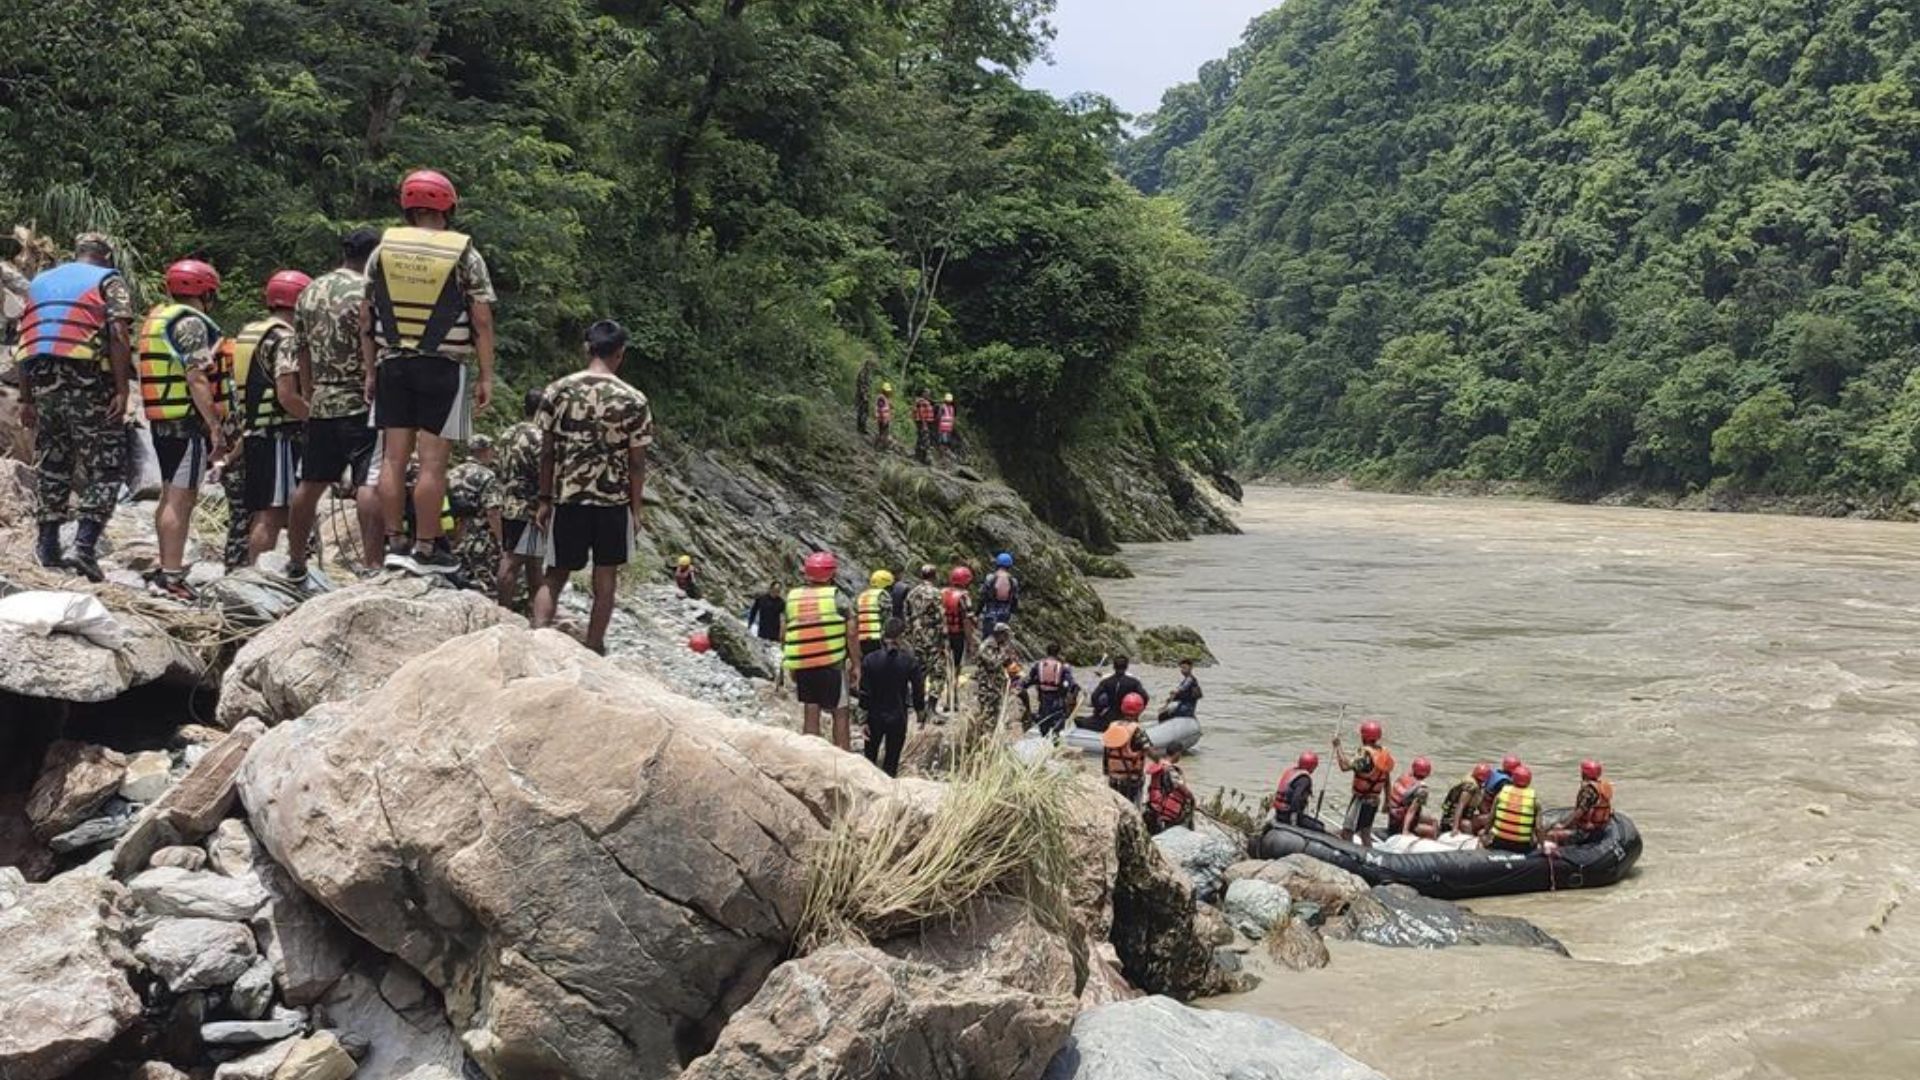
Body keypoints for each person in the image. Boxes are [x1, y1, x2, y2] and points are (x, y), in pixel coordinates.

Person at [362, 168, 497, 575]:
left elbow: (366, 316)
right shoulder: (464, 254)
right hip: (442, 367)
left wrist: (370, 370)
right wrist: (486, 374)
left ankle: (394, 542)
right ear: (448, 205)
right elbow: (482, 319)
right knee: (433, 462)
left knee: (392, 460)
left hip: (392, 364)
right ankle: (425, 547)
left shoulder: (381, 251)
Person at [531, 320, 652, 655]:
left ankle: (537, 636)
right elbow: (637, 462)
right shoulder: (634, 399)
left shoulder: (557, 390)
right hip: (612, 501)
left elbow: (547, 452)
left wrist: (544, 498)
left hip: (568, 497)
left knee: (555, 573)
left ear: (587, 348)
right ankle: (594, 645)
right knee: (605, 578)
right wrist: (635, 509)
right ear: (620, 353)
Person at [17, 233, 133, 581]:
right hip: (87, 382)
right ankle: (83, 548)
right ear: (106, 257)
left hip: (43, 382)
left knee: (54, 462)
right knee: (107, 465)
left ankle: (48, 547)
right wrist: (122, 389)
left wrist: (25, 398)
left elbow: (28, 338)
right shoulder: (109, 280)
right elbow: (118, 334)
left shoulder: (40, 282)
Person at [286, 227, 383, 583]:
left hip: (323, 399)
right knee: (368, 483)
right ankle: (373, 566)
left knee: (310, 483)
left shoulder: (309, 291)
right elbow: (369, 333)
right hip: (361, 398)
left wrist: (310, 393)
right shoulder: (368, 290)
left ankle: (296, 559)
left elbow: (301, 347)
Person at [138, 259, 227, 600]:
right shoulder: (190, 323)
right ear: (204, 292)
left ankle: (166, 568)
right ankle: (172, 577)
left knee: (169, 494)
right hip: (182, 421)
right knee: (181, 497)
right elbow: (196, 377)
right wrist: (214, 425)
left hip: (162, 419)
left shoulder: (159, 317)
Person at [226, 270, 310, 565]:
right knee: (271, 513)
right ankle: (258, 579)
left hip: (252, 434)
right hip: (277, 437)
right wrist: (316, 420)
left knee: (260, 510)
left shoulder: (251, 332)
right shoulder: (285, 339)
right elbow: (287, 395)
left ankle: (244, 572)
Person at [783, 550, 860, 749]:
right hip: (832, 663)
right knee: (840, 712)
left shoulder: (793, 597)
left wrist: (791, 663)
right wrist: (857, 665)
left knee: (811, 709)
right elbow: (851, 633)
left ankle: (811, 754)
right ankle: (842, 758)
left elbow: (785, 633)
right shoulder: (838, 598)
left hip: (804, 663)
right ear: (832, 574)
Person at [493, 388, 544, 609]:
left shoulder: (508, 434)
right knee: (513, 560)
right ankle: (504, 610)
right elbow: (545, 471)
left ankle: (534, 606)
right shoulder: (539, 436)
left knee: (533, 558)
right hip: (529, 506)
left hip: (507, 501)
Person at [857, 617, 925, 777]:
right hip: (898, 716)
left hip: (874, 717)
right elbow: (918, 689)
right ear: (901, 637)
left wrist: (862, 720)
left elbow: (865, 693)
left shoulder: (870, 660)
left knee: (869, 761)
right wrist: (920, 711)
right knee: (891, 763)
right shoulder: (909, 661)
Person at [446, 435, 502, 589]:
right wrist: (502, 540)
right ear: (484, 451)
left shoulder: (452, 473)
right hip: (480, 539)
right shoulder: (487, 476)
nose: (493, 453)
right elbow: (492, 511)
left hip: (453, 535)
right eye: (491, 449)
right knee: (485, 585)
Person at [1333, 720, 1395, 847]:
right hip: (1374, 800)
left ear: (1364, 736)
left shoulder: (1365, 756)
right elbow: (1387, 780)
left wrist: (1338, 747)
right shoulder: (1383, 754)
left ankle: (1354, 857)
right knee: (1365, 833)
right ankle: (1367, 856)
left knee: (1349, 832)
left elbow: (1344, 766)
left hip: (1361, 800)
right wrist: (1387, 801)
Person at [1019, 642, 1080, 736]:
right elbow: (1070, 684)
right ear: (1058, 653)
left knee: (1044, 724)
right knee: (1057, 724)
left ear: (1046, 652)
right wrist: (1074, 693)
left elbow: (1028, 680)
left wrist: (1020, 686)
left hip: (1043, 699)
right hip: (1057, 699)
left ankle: (1043, 736)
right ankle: (1055, 741)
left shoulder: (1038, 665)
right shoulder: (1063, 667)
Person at [1549, 759, 1615, 844]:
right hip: (1600, 828)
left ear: (1585, 773)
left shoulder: (1589, 790)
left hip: (1586, 833)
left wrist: (1563, 826)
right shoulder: (1602, 786)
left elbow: (1579, 813)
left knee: (1550, 835)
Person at [937, 566, 975, 709]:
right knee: (956, 668)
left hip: (942, 635)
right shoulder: (964, 596)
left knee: (944, 667)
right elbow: (967, 621)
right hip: (957, 635)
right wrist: (970, 642)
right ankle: (952, 699)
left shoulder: (942, 593)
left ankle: (945, 699)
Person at [1102, 694, 1150, 802]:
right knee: (1132, 810)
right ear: (1140, 711)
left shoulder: (1112, 727)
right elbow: (1149, 750)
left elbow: (1106, 753)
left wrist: (1106, 773)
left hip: (1114, 779)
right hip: (1131, 781)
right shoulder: (1137, 731)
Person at [973, 621, 1022, 723]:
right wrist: (1006, 656)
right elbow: (993, 664)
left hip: (996, 684)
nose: (1007, 638)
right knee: (987, 711)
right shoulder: (987, 646)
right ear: (1000, 634)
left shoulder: (999, 646)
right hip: (987, 684)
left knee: (995, 711)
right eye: (1006, 635)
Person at [1486, 764, 1539, 853]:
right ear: (1529, 781)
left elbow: (1491, 818)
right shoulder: (1534, 801)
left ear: (1513, 779)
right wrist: (1543, 846)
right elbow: (1539, 828)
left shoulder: (1500, 794)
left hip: (1498, 842)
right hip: (1522, 846)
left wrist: (1485, 832)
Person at [1087, 656, 1148, 732]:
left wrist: (1099, 710)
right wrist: (1138, 712)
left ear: (1114, 667)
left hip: (1109, 717)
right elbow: (1145, 697)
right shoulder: (1134, 682)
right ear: (1126, 667)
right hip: (1127, 717)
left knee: (1082, 721)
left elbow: (1094, 696)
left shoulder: (1106, 682)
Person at [1145, 749, 1195, 834]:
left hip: (1153, 808)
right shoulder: (1171, 769)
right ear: (1177, 754)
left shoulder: (1159, 765)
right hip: (1165, 813)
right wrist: (1191, 797)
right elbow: (1180, 786)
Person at [1270, 751, 1323, 830]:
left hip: (1279, 813)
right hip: (1289, 816)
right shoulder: (1304, 779)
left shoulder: (1291, 772)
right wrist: (1293, 821)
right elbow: (1296, 799)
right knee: (1320, 827)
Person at [1386, 756, 1436, 839]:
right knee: (1431, 830)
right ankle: (1432, 846)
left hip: (1393, 818)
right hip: (1402, 822)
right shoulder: (1422, 790)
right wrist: (1405, 831)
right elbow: (1411, 811)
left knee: (1433, 820)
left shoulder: (1403, 777)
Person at [1440, 762, 1493, 835]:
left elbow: (1482, 808)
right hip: (1451, 821)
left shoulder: (1478, 787)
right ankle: (1470, 842)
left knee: (1488, 818)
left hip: (1465, 818)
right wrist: (1455, 828)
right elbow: (1460, 807)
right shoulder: (1469, 788)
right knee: (1466, 824)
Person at [978, 552, 1018, 638]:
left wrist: (977, 612)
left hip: (990, 613)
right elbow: (1015, 600)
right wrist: (1012, 613)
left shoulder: (990, 578)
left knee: (987, 638)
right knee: (1001, 639)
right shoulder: (1013, 581)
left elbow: (983, 597)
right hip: (1005, 615)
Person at [855, 570, 893, 657]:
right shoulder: (882, 595)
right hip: (876, 637)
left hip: (861, 637)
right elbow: (887, 619)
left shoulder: (862, 595)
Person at [911, 390, 935, 462]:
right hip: (923, 423)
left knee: (921, 439)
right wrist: (924, 424)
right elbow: (922, 414)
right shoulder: (923, 402)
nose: (928, 395)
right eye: (927, 394)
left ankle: (918, 456)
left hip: (924, 423)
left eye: (929, 394)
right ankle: (923, 457)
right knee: (925, 440)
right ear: (923, 394)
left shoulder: (925, 402)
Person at [936, 392, 957, 461]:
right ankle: (944, 457)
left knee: (941, 442)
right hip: (949, 428)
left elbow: (938, 416)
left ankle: (942, 457)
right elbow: (953, 419)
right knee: (946, 443)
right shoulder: (952, 408)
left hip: (942, 427)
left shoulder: (942, 407)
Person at [873, 381, 893, 450]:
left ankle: (883, 446)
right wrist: (883, 419)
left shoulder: (886, 398)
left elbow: (887, 408)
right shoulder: (881, 398)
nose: (888, 392)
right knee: (882, 433)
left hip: (886, 418)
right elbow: (880, 409)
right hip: (882, 419)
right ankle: (878, 446)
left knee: (885, 433)